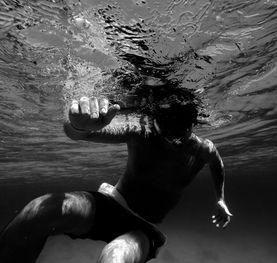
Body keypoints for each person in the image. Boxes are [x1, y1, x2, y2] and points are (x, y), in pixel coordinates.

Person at [0, 89, 232, 263]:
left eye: (178, 134)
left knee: (116, 257)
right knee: (40, 209)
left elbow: (217, 163)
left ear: (192, 125)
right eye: (164, 132)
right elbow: (81, 134)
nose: (171, 142)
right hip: (111, 203)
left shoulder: (203, 149)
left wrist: (220, 197)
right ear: (155, 122)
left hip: (143, 229)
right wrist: (78, 126)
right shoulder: (143, 132)